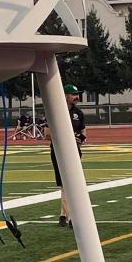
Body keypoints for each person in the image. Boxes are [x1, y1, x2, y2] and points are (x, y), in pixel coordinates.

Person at [50, 83, 86, 227]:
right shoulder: (55, 111)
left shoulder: (79, 113)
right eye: (73, 94)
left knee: (72, 183)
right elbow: (48, 134)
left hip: (74, 151)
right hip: (58, 151)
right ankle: (66, 215)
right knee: (64, 184)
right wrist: (68, 138)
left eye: (77, 94)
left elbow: (84, 133)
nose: (76, 97)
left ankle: (66, 216)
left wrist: (80, 139)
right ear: (65, 95)